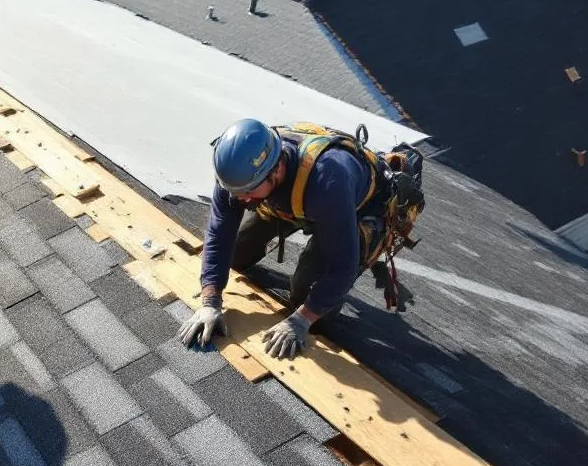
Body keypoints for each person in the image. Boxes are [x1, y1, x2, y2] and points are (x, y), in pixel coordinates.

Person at [176, 119, 423, 360]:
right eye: (233, 191)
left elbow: (343, 266)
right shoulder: (239, 176)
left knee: (305, 297)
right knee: (234, 256)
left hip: (357, 210)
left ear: (276, 171)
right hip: (294, 199)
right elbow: (219, 235)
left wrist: (302, 319)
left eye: (246, 192)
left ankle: (313, 303)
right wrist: (210, 301)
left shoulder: (327, 182)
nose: (238, 199)